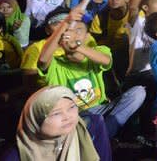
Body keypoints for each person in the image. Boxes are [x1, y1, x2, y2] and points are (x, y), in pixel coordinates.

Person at [37, 7, 146, 138]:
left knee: (138, 92)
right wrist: (66, 23)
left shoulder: (99, 50)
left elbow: (106, 61)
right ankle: (104, 137)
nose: (71, 34)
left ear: (87, 35)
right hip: (75, 115)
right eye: (67, 31)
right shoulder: (55, 63)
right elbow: (42, 60)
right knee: (89, 121)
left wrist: (77, 45)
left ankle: (103, 135)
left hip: (101, 109)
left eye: (78, 30)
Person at [0, 85, 112, 161]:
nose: (67, 116)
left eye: (72, 107)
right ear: (35, 122)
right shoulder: (16, 156)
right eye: (56, 113)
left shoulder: (88, 130)